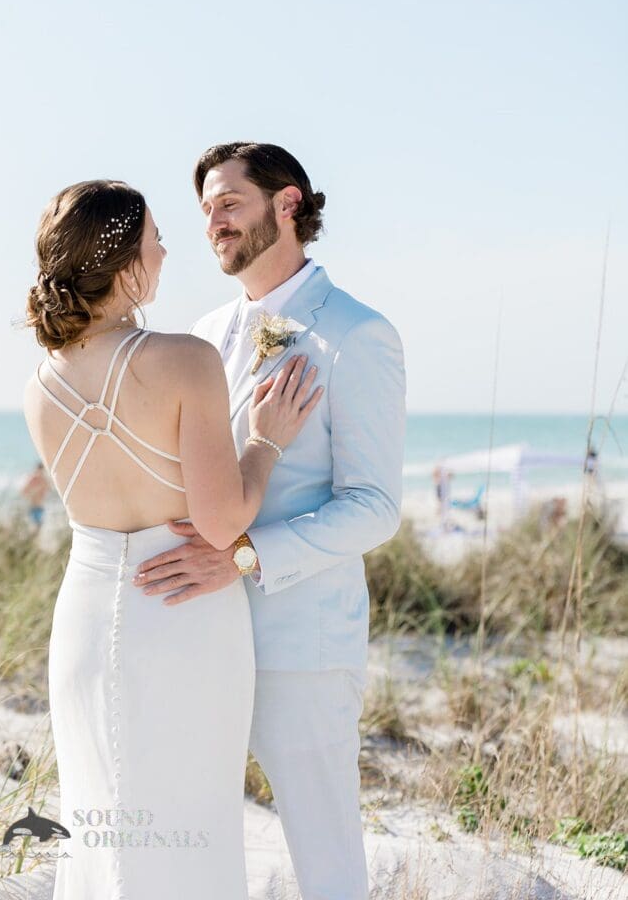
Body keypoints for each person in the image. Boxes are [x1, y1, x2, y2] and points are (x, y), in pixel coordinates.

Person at [22, 179, 322, 900]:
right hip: (183, 615)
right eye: (154, 237)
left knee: (102, 822)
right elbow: (222, 523)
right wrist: (265, 442)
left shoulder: (39, 383)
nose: (165, 247)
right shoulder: (184, 359)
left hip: (87, 616)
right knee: (190, 816)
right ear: (126, 267)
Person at [132, 143, 407, 900]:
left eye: (228, 203)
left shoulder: (356, 334)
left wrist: (246, 555)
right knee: (203, 836)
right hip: (203, 628)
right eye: (205, 210)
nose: (212, 223)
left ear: (287, 204)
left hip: (302, 640)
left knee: (322, 855)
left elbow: (375, 507)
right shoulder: (204, 332)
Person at [20, 461, 50, 529]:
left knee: (38, 527)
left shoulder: (44, 480)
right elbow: (23, 491)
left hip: (40, 507)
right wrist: (34, 491)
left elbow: (48, 490)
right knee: (35, 527)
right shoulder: (33, 479)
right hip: (33, 507)